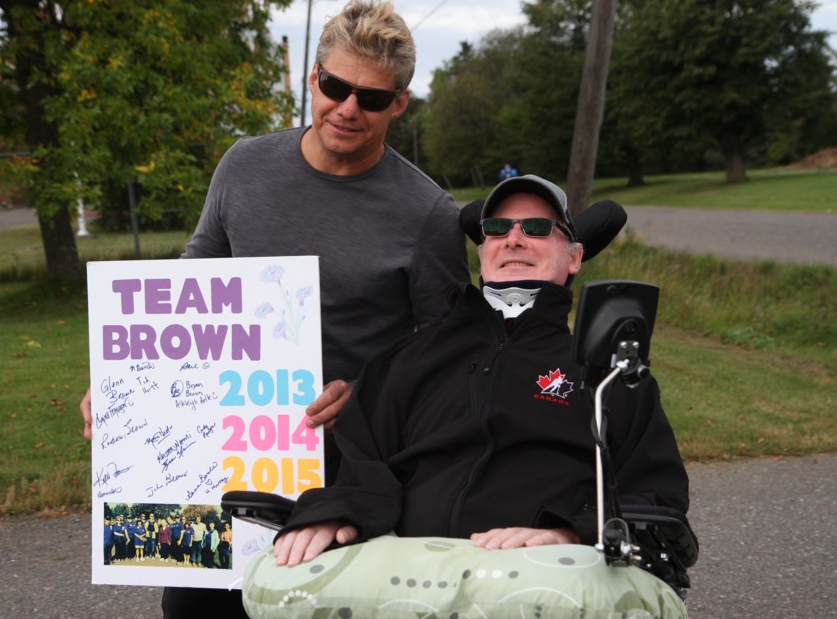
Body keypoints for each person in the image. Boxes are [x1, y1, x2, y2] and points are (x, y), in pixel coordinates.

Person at [78, 0, 470, 618]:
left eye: (371, 98)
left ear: (398, 103)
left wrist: (365, 393)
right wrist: (125, 385)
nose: (347, 108)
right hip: (212, 457)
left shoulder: (428, 213)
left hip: (345, 471)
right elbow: (186, 297)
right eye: (336, 86)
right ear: (313, 79)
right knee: (193, 612)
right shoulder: (244, 165)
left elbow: (451, 355)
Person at [273, 174, 691, 568]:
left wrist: (572, 534)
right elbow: (360, 467)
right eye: (497, 228)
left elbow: (657, 500)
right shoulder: (408, 360)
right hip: (407, 578)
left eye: (536, 228)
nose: (513, 239)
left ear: (575, 256)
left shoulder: (608, 374)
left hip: (546, 581)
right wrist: (337, 513)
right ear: (483, 251)